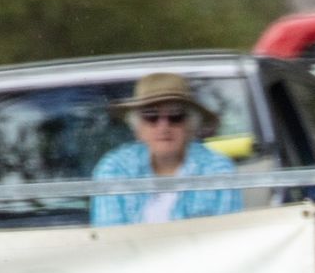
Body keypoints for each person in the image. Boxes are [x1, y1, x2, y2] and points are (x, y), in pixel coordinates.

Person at [90, 73, 243, 226]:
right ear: (138, 128)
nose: (164, 126)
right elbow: (110, 237)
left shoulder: (217, 169)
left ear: (191, 125)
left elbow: (227, 235)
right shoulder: (114, 169)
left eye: (176, 116)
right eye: (151, 116)